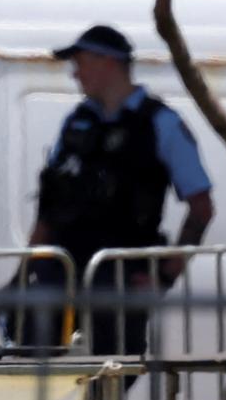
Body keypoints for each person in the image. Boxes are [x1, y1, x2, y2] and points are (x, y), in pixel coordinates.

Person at [24, 24, 215, 356]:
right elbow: (50, 204)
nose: (75, 74)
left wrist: (165, 277)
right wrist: (24, 273)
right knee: (36, 381)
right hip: (60, 275)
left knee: (108, 381)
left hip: (119, 279)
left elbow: (201, 207)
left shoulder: (160, 123)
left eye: (81, 63)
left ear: (108, 62)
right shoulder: (76, 122)